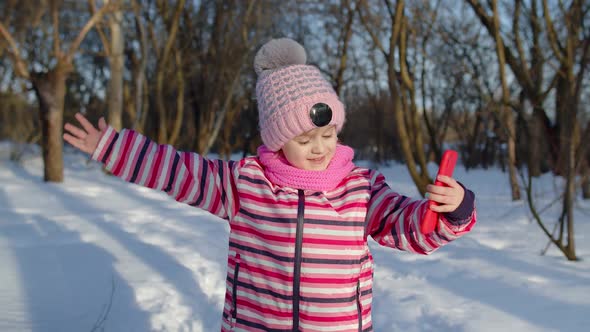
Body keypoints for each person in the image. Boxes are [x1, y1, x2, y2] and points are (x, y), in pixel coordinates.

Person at [64, 38, 476, 332]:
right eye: (304, 139)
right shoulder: (245, 183)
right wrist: (113, 147)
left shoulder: (361, 189)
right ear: (278, 139)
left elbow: (410, 228)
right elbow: (177, 171)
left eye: (328, 135)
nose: (320, 148)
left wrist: (450, 210)